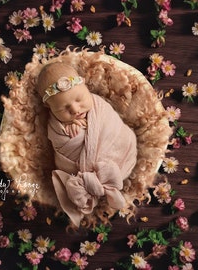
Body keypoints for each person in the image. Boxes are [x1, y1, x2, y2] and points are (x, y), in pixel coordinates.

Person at [36, 61, 137, 227]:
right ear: (50, 108)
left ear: (84, 85)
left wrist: (89, 125)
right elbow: (59, 143)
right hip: (80, 176)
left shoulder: (98, 105)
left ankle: (105, 182)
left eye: (79, 99)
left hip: (117, 156)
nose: (75, 110)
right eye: (63, 108)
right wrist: (68, 129)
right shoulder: (55, 126)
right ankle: (95, 186)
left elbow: (112, 125)